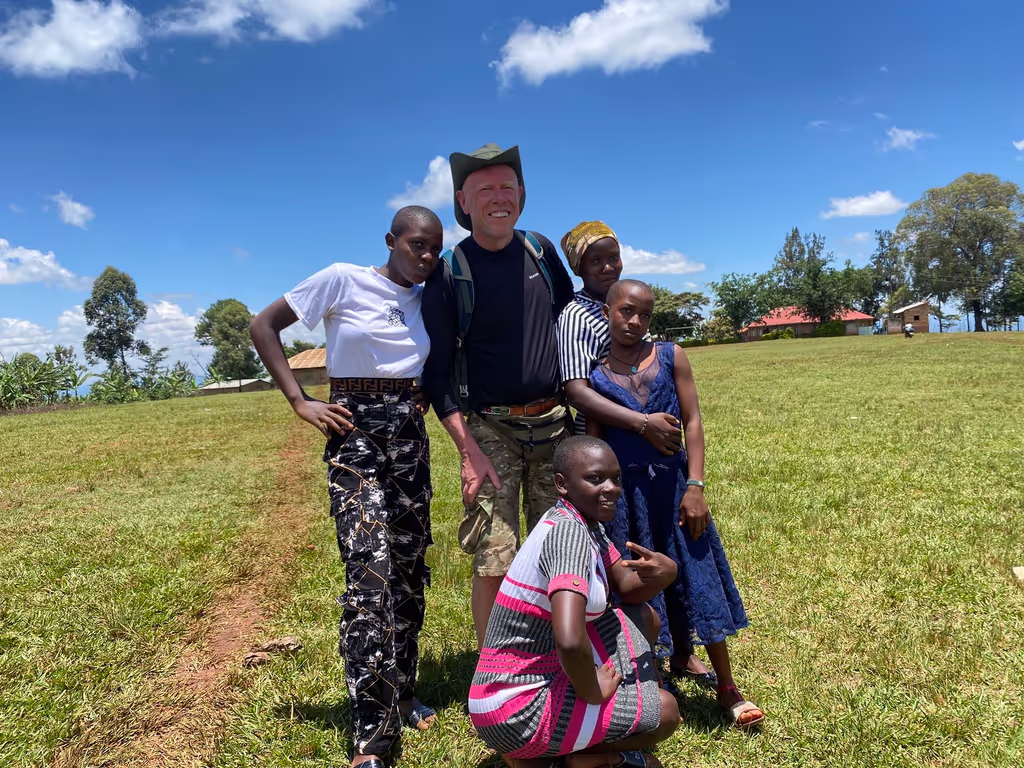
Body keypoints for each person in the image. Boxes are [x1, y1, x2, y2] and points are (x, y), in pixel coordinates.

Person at [249, 206, 445, 768]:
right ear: (390, 240)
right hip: (353, 428)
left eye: (434, 248)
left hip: (409, 433)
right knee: (368, 575)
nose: (426, 256)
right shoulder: (341, 278)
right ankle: (371, 741)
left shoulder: (430, 297)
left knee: (408, 569)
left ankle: (402, 689)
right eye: (416, 246)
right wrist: (298, 400)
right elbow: (263, 326)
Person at [587, 279, 764, 729]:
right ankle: (657, 675)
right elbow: (595, 443)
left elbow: (693, 419)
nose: (635, 321)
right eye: (626, 311)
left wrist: (696, 485)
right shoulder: (595, 375)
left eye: (645, 314)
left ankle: (727, 685)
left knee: (698, 572)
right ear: (607, 310)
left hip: (675, 488)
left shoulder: (670, 355)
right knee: (640, 581)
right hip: (627, 499)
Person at [421, 143, 575, 648]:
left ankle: (560, 653)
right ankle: (495, 672)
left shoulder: (542, 252)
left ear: (522, 195)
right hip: (490, 431)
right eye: (485, 189)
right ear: (464, 202)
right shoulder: (449, 272)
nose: (499, 197)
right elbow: (437, 373)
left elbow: (573, 326)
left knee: (563, 548)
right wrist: (468, 453)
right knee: (494, 554)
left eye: (508, 186)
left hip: (554, 425)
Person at [556, 221, 715, 687]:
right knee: (633, 554)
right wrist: (642, 424)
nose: (606, 265)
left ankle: (683, 650)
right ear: (578, 266)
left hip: (662, 467)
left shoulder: (634, 314)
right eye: (595, 259)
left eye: (613, 256)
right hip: (617, 458)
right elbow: (578, 392)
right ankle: (646, 657)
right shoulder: (577, 317)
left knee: (672, 550)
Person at [469, 436, 681, 768]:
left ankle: (552, 752)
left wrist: (667, 573)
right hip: (513, 708)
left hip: (525, 679)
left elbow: (625, 587)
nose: (611, 488)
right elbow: (568, 640)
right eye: (596, 479)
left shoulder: (583, 521)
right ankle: (576, 759)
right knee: (665, 712)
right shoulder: (569, 538)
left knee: (643, 618)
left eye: (615, 478)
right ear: (561, 484)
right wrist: (591, 688)